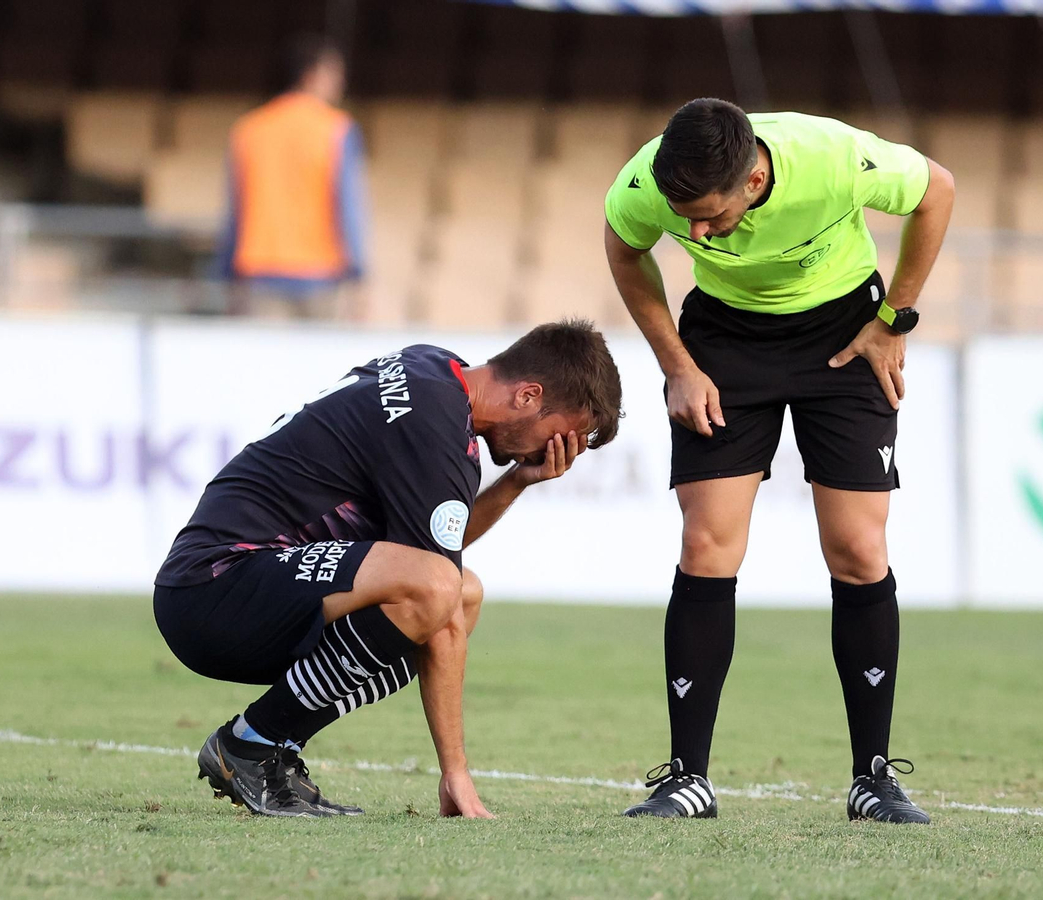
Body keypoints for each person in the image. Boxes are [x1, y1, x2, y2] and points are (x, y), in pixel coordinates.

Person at [603, 99, 955, 823]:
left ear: (755, 179)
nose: (694, 234)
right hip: (725, 343)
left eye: (708, 216)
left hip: (844, 335)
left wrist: (895, 322)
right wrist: (677, 364)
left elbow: (937, 191)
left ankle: (874, 778)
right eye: (685, 218)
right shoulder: (646, 181)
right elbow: (623, 247)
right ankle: (686, 780)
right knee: (706, 543)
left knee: (858, 547)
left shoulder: (831, 157)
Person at [153, 320, 623, 818]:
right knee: (444, 593)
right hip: (215, 587)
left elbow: (427, 556)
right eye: (562, 434)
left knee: (461, 592)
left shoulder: (434, 372)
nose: (555, 451)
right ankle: (251, 743)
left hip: (227, 584)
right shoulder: (436, 427)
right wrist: (456, 773)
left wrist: (516, 481)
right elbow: (430, 588)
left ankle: (272, 746)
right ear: (528, 396)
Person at [217, 35, 368, 319]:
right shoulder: (338, 130)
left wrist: (225, 274)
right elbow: (347, 206)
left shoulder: (250, 129)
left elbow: (234, 209)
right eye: (335, 73)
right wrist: (358, 274)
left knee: (263, 362)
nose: (341, 82)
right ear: (312, 74)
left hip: (259, 271)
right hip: (321, 273)